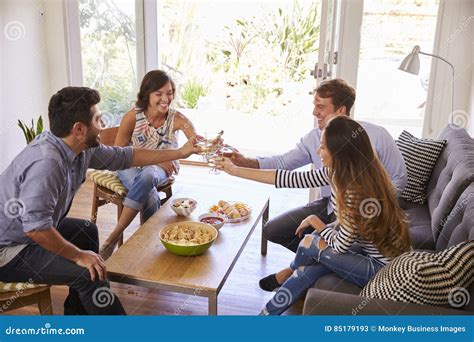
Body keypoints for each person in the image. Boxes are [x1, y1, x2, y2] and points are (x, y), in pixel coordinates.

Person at [0, 87, 200, 315]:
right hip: (9, 249)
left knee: (86, 231)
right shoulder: (48, 164)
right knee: (87, 273)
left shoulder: (77, 147)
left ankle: (78, 317)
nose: (103, 124)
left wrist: (180, 152)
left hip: (26, 231)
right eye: (97, 119)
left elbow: (126, 156)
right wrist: (78, 256)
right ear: (79, 129)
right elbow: (36, 229)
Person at [217, 116, 411, 315]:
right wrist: (235, 171)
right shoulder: (337, 172)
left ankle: (287, 275)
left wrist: (315, 222)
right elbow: (287, 178)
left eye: (323, 148)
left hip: (382, 269)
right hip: (365, 251)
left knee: (311, 241)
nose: (319, 152)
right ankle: (265, 315)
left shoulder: (355, 190)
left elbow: (341, 246)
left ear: (340, 152)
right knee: (307, 269)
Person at [224, 78, 407, 253]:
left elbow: (399, 178)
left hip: (360, 211)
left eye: (320, 107)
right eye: (314, 105)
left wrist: (370, 207)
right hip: (329, 204)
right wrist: (241, 164)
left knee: (329, 242)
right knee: (273, 230)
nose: (314, 112)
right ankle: (319, 258)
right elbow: (285, 169)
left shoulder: (378, 136)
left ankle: (318, 260)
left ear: (341, 110)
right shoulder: (316, 140)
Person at [99, 70, 198, 259]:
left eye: (169, 93)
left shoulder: (178, 119)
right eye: (158, 94)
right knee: (149, 194)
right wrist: (142, 160)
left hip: (160, 168)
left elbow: (195, 140)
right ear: (147, 95)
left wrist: (206, 144)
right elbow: (118, 153)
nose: (165, 99)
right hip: (130, 165)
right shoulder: (132, 117)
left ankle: (114, 237)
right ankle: (147, 246)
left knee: (148, 176)